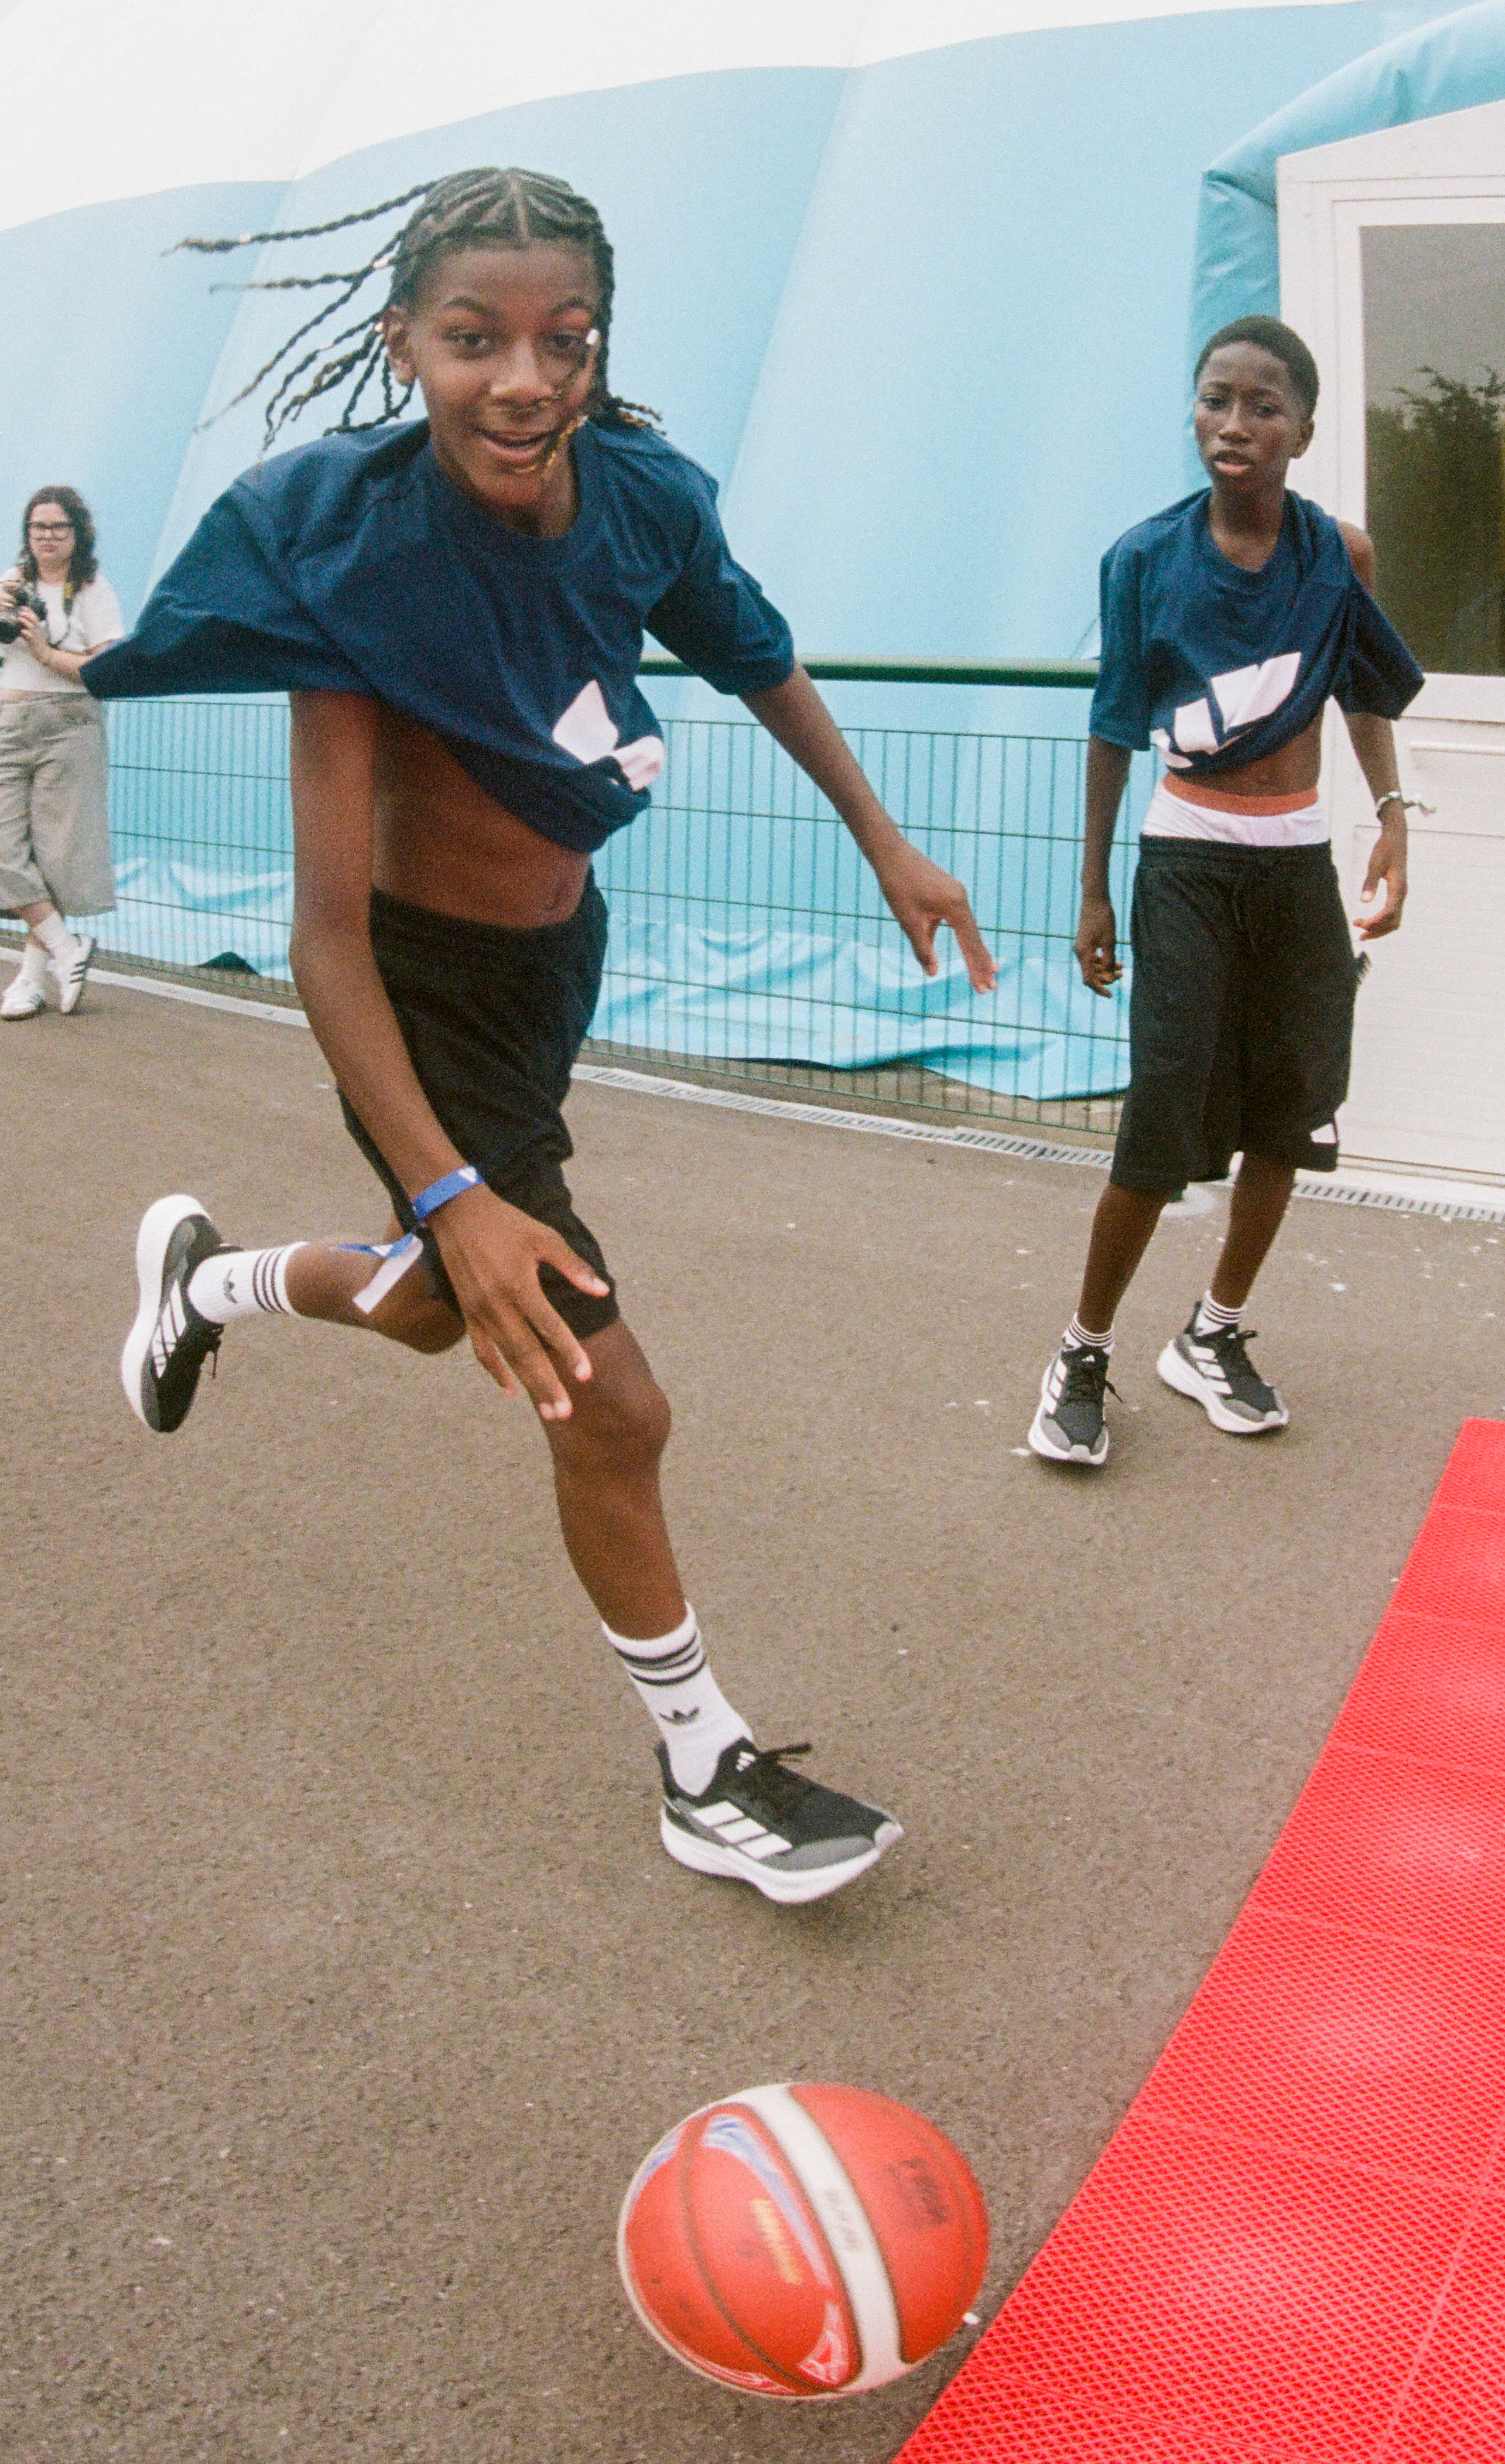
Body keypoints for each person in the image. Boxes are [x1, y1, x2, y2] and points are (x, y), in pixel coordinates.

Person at [84, 166, 997, 1904]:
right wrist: (449, 1183)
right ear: (401, 342)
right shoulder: (350, 557)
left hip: (552, 965)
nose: (521, 378)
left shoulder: (641, 501)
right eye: (472, 338)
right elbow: (324, 939)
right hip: (416, 996)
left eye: (562, 339)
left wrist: (887, 841)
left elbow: (758, 659)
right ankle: (703, 1764)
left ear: (598, 346)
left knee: (448, 1306)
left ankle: (208, 1284)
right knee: (608, 1399)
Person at [1028, 316, 1424, 1468]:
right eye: (1214, 399)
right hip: (1186, 863)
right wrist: (1092, 891)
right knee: (1162, 1118)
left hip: (1294, 865)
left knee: (1288, 1117)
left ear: (1301, 428)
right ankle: (1081, 1350)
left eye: (1261, 405)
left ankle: (1211, 1331)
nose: (1232, 424)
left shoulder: (1336, 555)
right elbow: (1111, 727)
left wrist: (1392, 817)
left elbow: (1362, 692)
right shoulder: (1141, 559)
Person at [0, 485, 123, 1017]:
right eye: (38, 528)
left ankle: (29, 981)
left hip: (70, 724)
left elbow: (105, 671)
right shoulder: (15, 584)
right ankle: (66, 949)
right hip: (11, 724)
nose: (48, 537)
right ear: (26, 534)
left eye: (58, 527)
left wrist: (44, 651)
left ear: (78, 533)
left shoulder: (93, 589)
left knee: (54, 857)